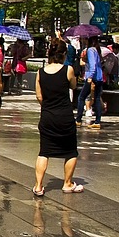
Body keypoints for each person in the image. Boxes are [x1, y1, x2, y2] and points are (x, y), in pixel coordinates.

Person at [34, 39, 81, 195]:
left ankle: (38, 186)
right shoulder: (68, 70)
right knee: (70, 151)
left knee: (44, 151)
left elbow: (39, 96)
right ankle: (67, 183)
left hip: (47, 116)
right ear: (64, 54)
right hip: (64, 116)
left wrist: (48, 106)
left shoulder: (40, 72)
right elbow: (73, 85)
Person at [74, 35, 103, 129]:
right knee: (97, 98)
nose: (83, 40)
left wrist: (90, 76)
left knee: (81, 97)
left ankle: (78, 120)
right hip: (99, 77)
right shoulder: (96, 50)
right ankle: (97, 121)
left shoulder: (90, 50)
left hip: (92, 77)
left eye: (84, 39)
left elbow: (93, 65)